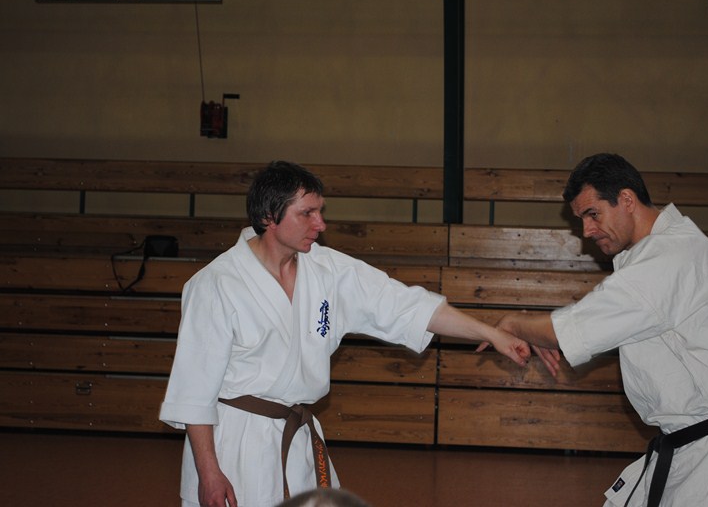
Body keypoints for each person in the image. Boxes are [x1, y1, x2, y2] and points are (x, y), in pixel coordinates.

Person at [159, 160, 532, 507]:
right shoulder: (216, 283)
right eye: (307, 213)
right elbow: (195, 389)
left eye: (320, 211)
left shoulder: (327, 270)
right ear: (269, 216)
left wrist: (491, 333)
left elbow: (406, 305)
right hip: (235, 445)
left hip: (298, 439)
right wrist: (208, 472)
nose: (320, 224)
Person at [493, 153, 708, 506]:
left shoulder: (669, 258)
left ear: (626, 199)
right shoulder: (669, 249)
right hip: (700, 448)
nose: (587, 230)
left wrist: (513, 324)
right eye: (582, 219)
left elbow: (571, 330)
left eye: (593, 214)